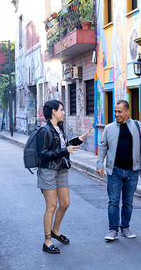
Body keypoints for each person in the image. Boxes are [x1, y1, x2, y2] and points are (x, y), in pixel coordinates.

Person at [36, 100, 90, 254]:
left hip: (61, 169)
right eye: (61, 110)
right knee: (51, 206)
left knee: (65, 203)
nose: (64, 112)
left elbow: (61, 146)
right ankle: (47, 240)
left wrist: (77, 140)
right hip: (48, 171)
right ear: (53, 111)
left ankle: (55, 230)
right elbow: (43, 155)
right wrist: (65, 149)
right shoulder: (44, 130)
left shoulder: (59, 128)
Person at [96, 100, 141, 241]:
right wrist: (99, 165)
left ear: (127, 112)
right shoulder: (108, 128)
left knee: (128, 202)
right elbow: (103, 147)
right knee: (113, 201)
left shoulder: (138, 126)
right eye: (115, 111)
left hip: (132, 171)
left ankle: (125, 227)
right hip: (114, 170)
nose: (116, 114)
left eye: (119, 111)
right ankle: (113, 230)